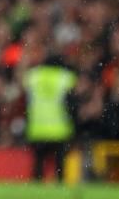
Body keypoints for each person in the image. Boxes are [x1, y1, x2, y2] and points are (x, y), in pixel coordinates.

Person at [22, 54, 77, 182]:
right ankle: (60, 191)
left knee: (38, 165)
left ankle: (37, 192)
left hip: (37, 128)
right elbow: (73, 100)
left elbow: (24, 89)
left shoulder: (33, 76)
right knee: (59, 166)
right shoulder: (65, 77)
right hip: (59, 129)